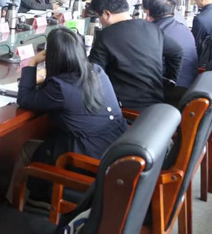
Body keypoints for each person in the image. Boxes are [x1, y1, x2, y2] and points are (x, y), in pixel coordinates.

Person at [8, 28, 127, 204]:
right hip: (114, 153)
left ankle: (22, 203)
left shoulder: (59, 87)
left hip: (86, 161)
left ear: (53, 58)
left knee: (28, 148)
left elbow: (24, 99)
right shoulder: (96, 71)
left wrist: (32, 63)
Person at [88, 0, 183, 111]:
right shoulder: (152, 28)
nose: (100, 21)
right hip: (156, 105)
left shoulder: (106, 36)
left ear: (106, 14)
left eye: (98, 16)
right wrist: (169, 80)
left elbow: (93, 73)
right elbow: (177, 52)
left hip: (126, 110)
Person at [143, 0, 199, 106]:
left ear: (147, 13)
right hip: (190, 87)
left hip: (171, 95)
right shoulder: (183, 27)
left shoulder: (152, 34)